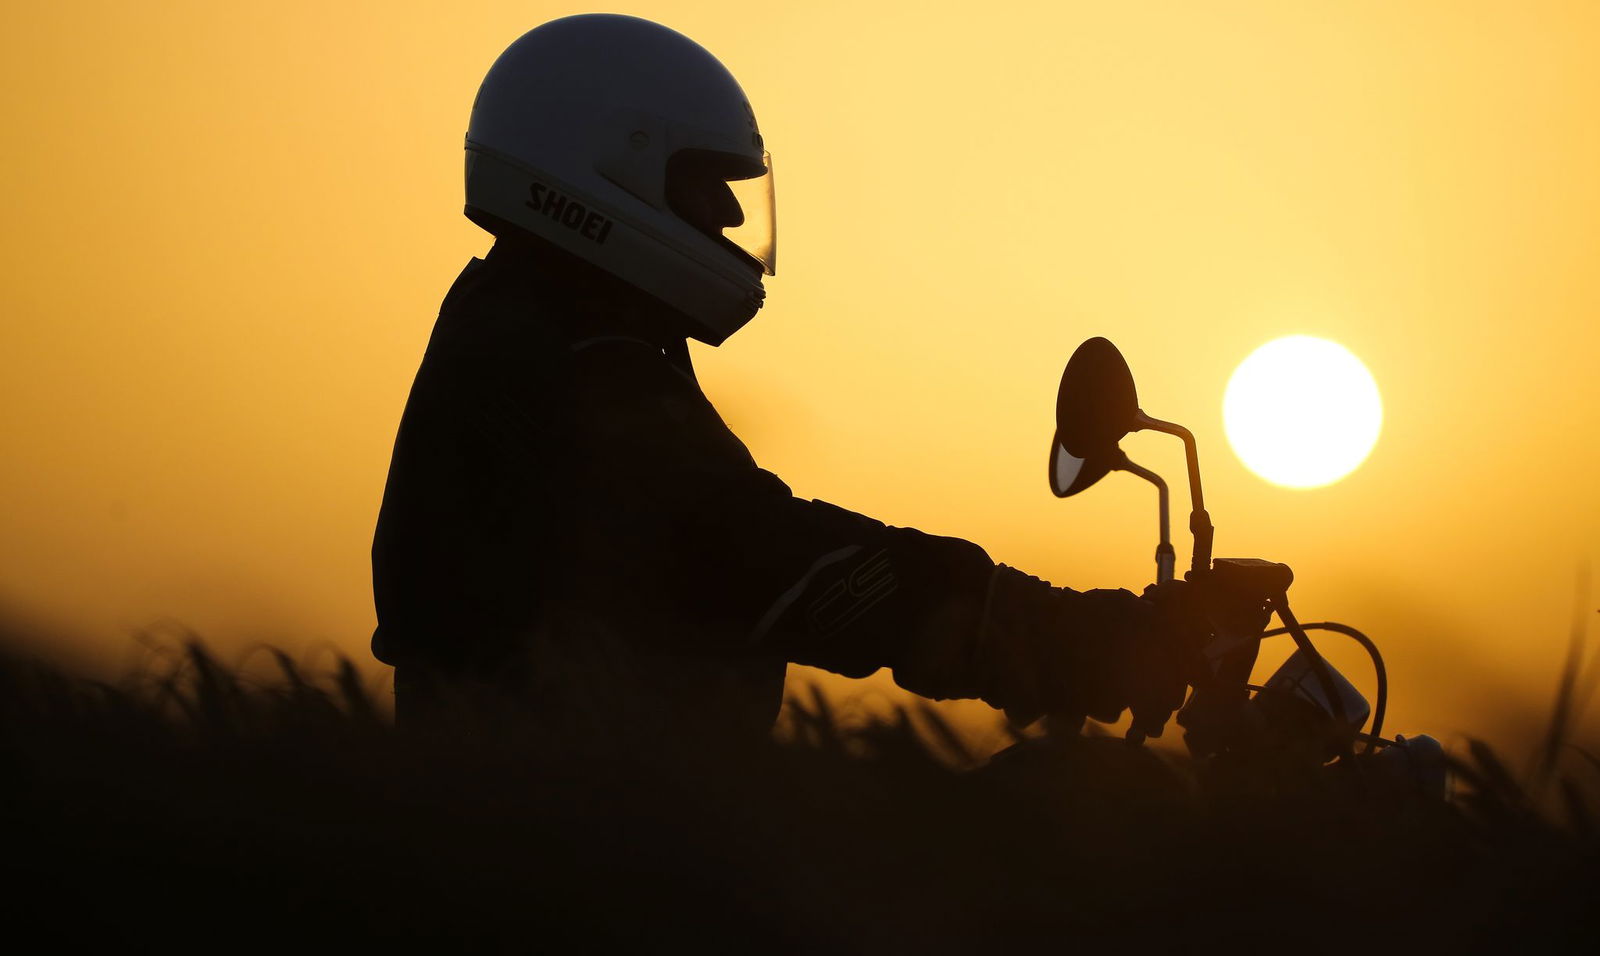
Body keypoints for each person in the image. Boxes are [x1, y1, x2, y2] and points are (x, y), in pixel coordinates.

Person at [371, 14, 1193, 744]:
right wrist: (1068, 636)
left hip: (576, 809)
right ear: (611, 171)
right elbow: (766, 556)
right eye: (702, 183)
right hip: (576, 841)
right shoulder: (565, 354)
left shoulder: (533, 324)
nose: (729, 217)